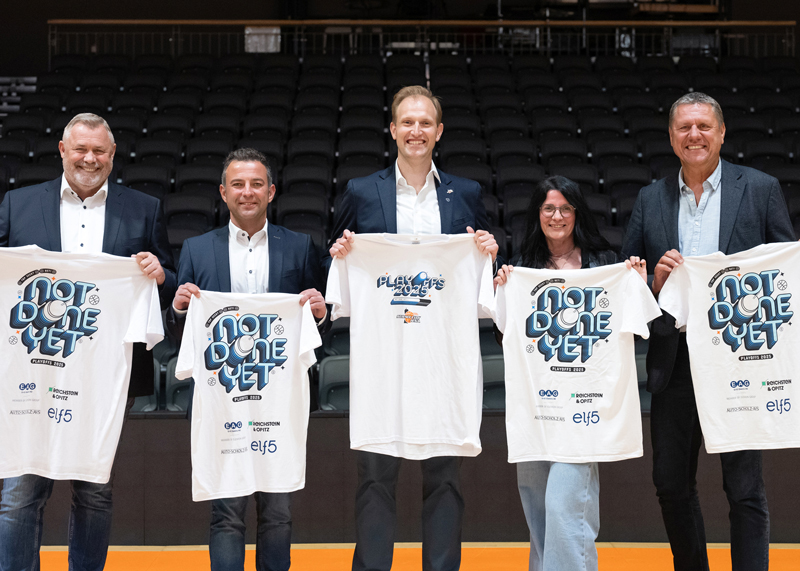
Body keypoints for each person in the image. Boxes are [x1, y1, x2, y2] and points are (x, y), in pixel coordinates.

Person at [327, 85, 498, 571]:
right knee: (375, 477)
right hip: (384, 360)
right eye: (407, 122)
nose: (416, 131)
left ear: (439, 131)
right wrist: (339, 253)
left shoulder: (466, 192)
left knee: (444, 477)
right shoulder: (362, 191)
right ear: (393, 130)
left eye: (425, 123)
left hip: (442, 360)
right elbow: (334, 258)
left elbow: (482, 265)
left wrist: (489, 249)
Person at [622, 92, 795, 570]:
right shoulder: (650, 198)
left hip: (739, 360)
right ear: (671, 137)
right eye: (684, 127)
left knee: (744, 488)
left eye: (703, 126)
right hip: (674, 360)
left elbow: (785, 272)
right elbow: (628, 280)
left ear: (721, 133)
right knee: (671, 483)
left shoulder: (759, 188)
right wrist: (654, 283)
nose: (693, 135)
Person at [0, 112, 176, 571]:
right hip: (32, 370)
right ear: (63, 150)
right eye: (81, 149)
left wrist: (159, 274)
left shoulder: (143, 208)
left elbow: (170, 282)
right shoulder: (18, 204)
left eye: (99, 151)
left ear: (113, 155)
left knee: (95, 489)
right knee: (20, 490)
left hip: (104, 374)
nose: (89, 159)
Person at [166, 148, 327, 571]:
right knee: (226, 514)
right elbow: (184, 333)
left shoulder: (300, 247)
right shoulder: (197, 249)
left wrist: (319, 313)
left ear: (271, 191)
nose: (247, 192)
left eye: (256, 184)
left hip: (278, 404)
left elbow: (313, 329)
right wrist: (180, 310)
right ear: (223, 192)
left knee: (278, 513)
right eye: (237, 184)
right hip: (223, 403)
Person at [493, 175, 645, 571]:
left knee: (564, 508)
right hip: (537, 411)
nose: (557, 216)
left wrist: (634, 281)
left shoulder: (606, 264)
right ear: (537, 214)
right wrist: (502, 290)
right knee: (540, 515)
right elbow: (504, 334)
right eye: (548, 208)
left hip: (584, 411)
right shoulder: (521, 266)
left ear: (577, 214)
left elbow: (635, 324)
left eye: (565, 208)